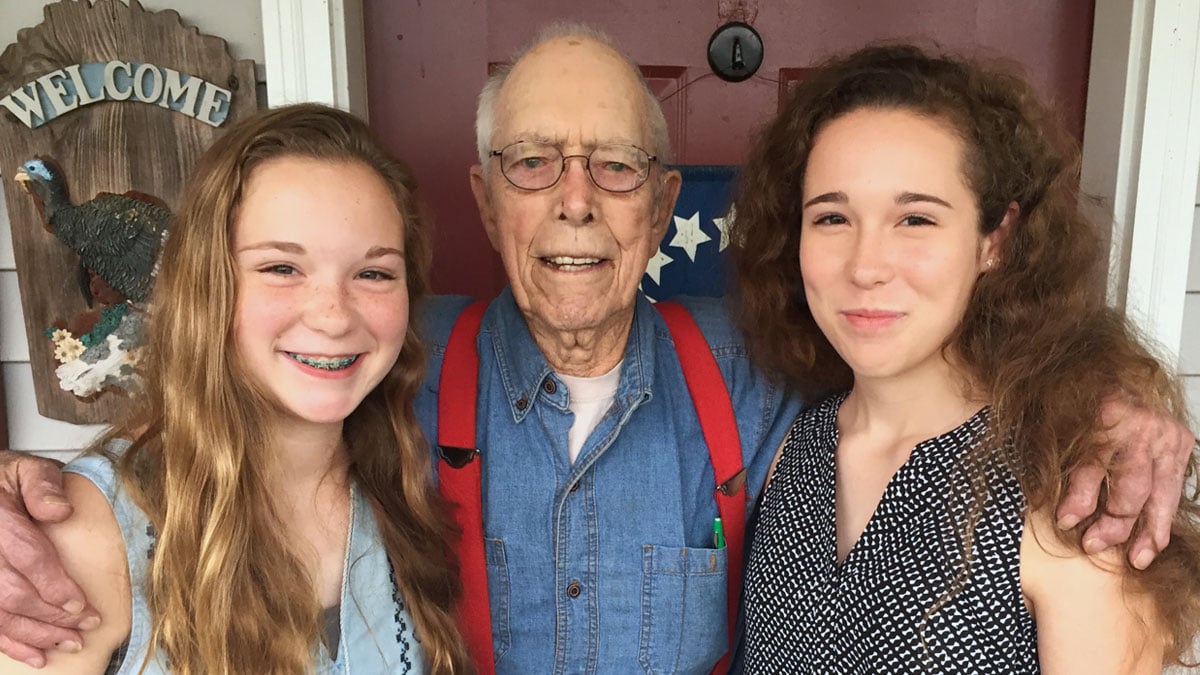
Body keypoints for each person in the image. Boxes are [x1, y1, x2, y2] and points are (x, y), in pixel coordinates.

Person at [0, 24, 1195, 674]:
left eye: (615, 166)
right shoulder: (379, 362)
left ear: (663, 198)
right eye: (533, 162)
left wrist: (1117, 399)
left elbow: (974, 378)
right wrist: (36, 510)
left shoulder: (762, 378)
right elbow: (218, 419)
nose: (575, 201)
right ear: (483, 195)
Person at [730, 44, 1200, 672]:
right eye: (833, 217)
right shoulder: (791, 443)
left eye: (916, 219)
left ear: (993, 240)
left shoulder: (1069, 492)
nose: (865, 266)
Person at [0, 104, 471, 673]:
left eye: (373, 273)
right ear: (208, 285)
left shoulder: (402, 479)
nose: (333, 316)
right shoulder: (88, 535)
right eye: (281, 268)